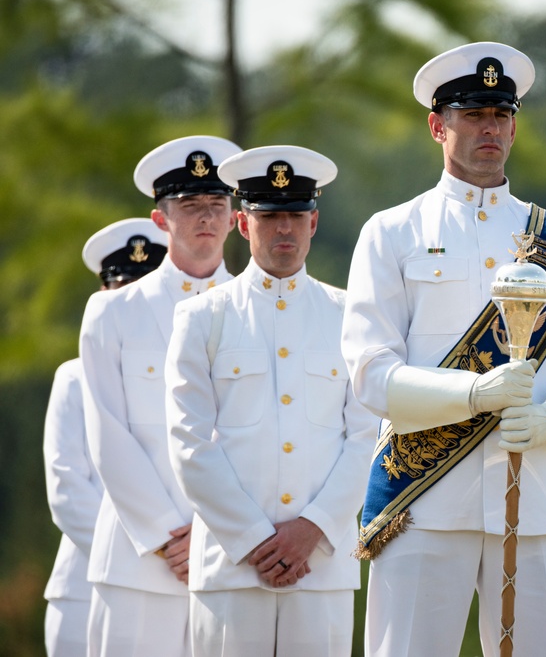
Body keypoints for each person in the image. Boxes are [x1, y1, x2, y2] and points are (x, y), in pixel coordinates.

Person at [342, 41, 546, 657]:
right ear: (439, 126)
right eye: (472, 115)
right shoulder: (392, 231)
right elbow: (369, 372)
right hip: (425, 500)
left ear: (514, 126)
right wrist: (474, 392)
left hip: (537, 497)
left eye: (500, 115)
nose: (489, 128)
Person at [163, 145, 377, 656]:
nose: (284, 229)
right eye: (270, 215)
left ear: (314, 222)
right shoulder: (203, 317)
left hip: (320, 565)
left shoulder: (349, 316)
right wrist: (255, 538)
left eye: (295, 215)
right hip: (234, 567)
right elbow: (188, 441)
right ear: (242, 223)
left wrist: (313, 529)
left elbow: (367, 437)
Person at [78, 135, 241, 657]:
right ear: (160, 220)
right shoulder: (112, 312)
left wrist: (212, 533)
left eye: (217, 204)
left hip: (230, 555)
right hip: (139, 560)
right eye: (190, 205)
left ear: (236, 215)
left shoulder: (255, 308)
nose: (206, 217)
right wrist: (170, 538)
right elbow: (108, 434)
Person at [43, 218, 167, 656]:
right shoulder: (74, 376)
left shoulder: (186, 372)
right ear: (104, 297)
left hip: (174, 582)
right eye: (123, 291)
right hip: (85, 585)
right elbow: (66, 489)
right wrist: (151, 547)